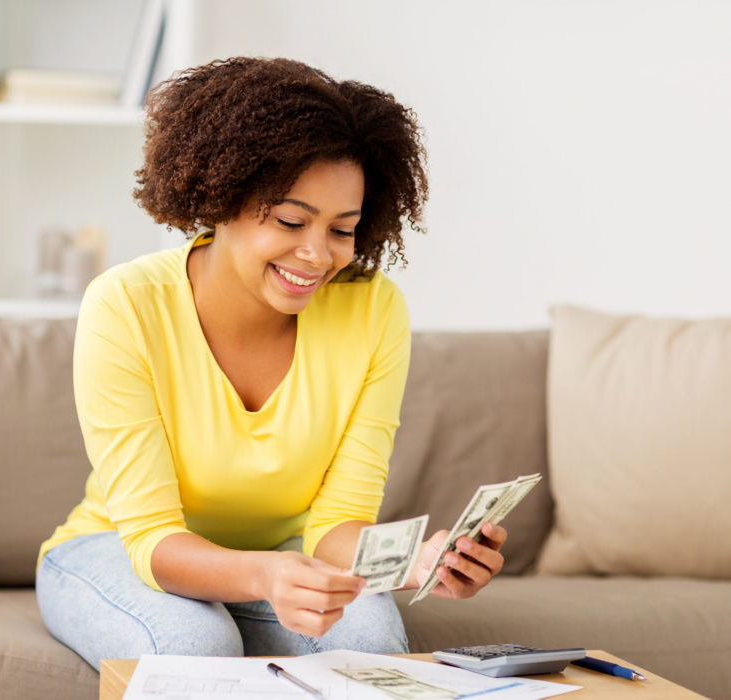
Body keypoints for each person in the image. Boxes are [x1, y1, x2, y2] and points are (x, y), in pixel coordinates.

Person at [35, 56, 508, 670]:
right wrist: (265, 577)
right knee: (195, 648)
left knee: (368, 646)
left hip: (281, 556)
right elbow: (152, 539)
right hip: (119, 548)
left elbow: (337, 525)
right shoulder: (125, 304)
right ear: (224, 198)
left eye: (343, 229)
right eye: (290, 220)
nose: (316, 255)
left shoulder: (373, 310)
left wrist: (419, 559)